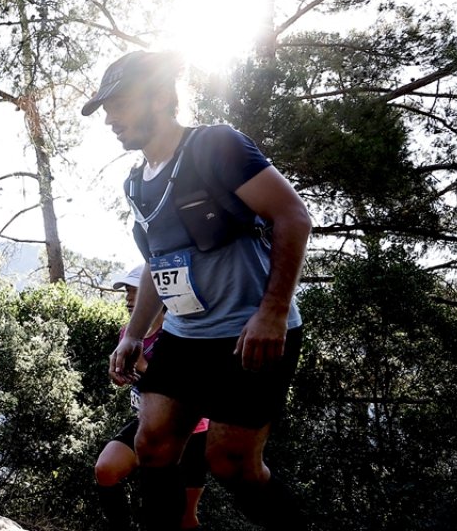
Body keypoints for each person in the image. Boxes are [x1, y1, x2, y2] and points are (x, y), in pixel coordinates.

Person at [85, 51, 312, 530]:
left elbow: (292, 215)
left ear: (161, 97)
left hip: (249, 332)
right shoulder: (136, 183)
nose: (109, 118)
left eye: (119, 104)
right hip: (186, 335)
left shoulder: (215, 146)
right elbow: (157, 263)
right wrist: (133, 333)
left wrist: (273, 312)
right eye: (106, 109)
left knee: (232, 464)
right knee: (152, 446)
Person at [95, 265, 207, 531]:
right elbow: (135, 377)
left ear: (157, 295)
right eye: (127, 292)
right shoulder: (127, 333)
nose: (129, 298)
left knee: (185, 519)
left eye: (135, 291)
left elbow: (186, 384)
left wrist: (144, 366)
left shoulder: (178, 331)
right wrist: (121, 374)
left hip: (191, 430)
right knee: (106, 469)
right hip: (147, 421)